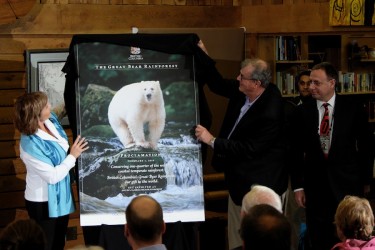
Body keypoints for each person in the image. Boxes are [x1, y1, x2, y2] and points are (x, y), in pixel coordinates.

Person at [195, 41, 288, 250]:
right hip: (238, 184)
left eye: (242, 77)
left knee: (261, 241)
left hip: (260, 187)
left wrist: (211, 140)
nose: (237, 78)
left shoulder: (270, 112)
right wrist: (203, 55)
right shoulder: (243, 91)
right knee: (237, 239)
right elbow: (217, 84)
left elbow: (247, 149)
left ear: (255, 83)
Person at [290, 62, 375, 250]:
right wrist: (298, 186)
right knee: (318, 239)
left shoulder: (353, 108)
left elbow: (366, 147)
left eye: (316, 83)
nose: (310, 87)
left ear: (332, 83)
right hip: (315, 187)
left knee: (349, 237)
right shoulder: (301, 112)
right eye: (310, 82)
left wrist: (366, 181)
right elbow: (294, 151)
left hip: (347, 185)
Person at [13, 91, 89, 250]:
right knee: (47, 245)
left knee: (59, 242)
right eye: (46, 106)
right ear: (36, 114)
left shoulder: (50, 120)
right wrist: (72, 156)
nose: (50, 107)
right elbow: (52, 177)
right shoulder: (30, 144)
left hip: (61, 196)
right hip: (43, 203)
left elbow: (60, 109)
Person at [283, 70, 312, 250]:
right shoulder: (290, 107)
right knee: (296, 214)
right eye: (302, 83)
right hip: (295, 169)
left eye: (310, 83)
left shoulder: (320, 107)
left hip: (315, 168)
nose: (306, 86)